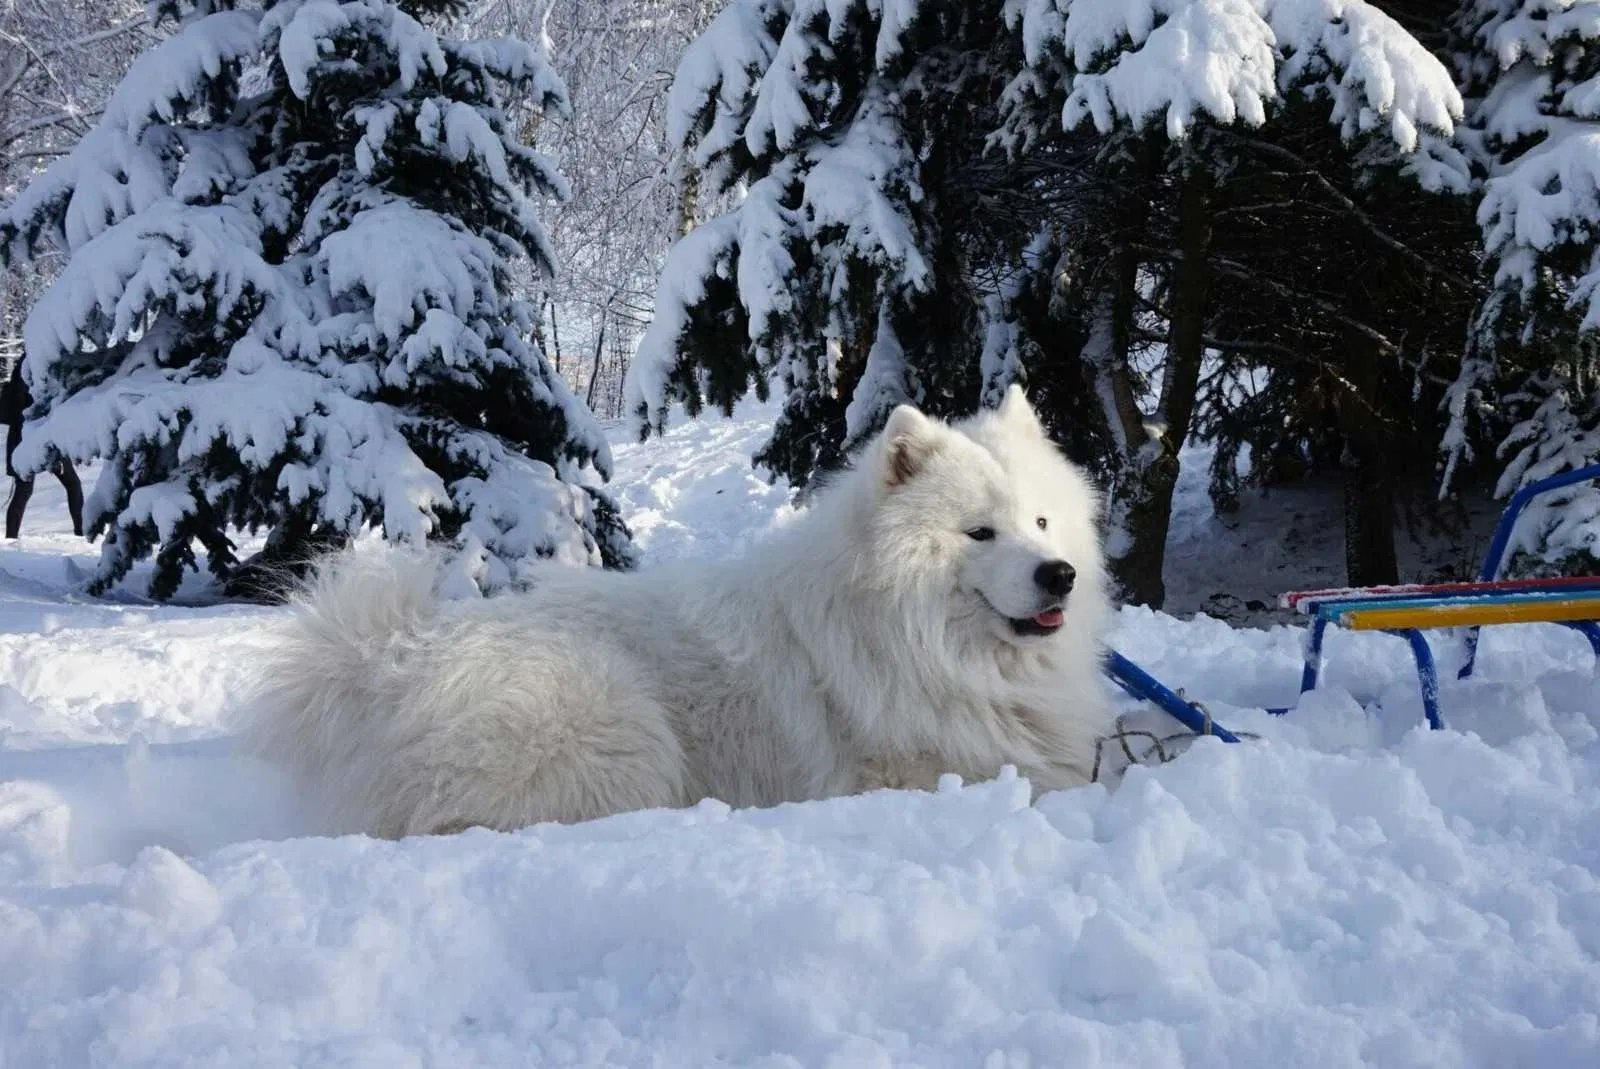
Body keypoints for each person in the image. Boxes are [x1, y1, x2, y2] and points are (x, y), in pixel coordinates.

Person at [3, 358, 84, 539]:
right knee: (70, 484)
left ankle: (11, 538)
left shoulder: (24, 367)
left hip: (28, 438)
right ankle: (81, 533)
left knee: (24, 491)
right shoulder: (37, 364)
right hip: (40, 436)